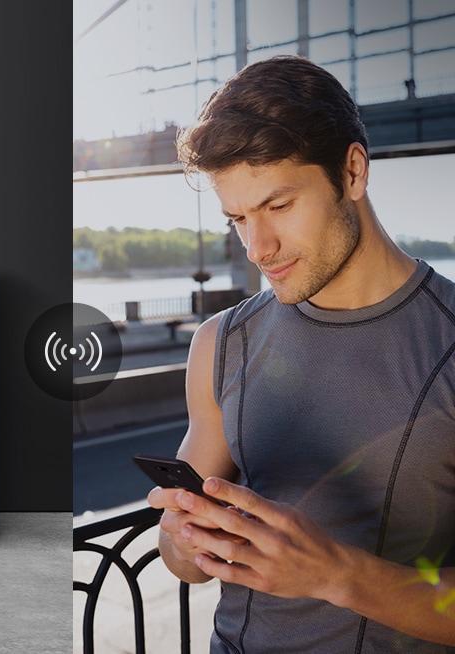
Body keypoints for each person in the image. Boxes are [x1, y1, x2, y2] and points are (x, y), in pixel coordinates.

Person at [147, 54, 455, 652]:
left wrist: (339, 577)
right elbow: (180, 560)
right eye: (238, 218)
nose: (258, 247)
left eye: (278, 206)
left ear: (353, 173)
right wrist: (182, 540)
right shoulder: (219, 342)